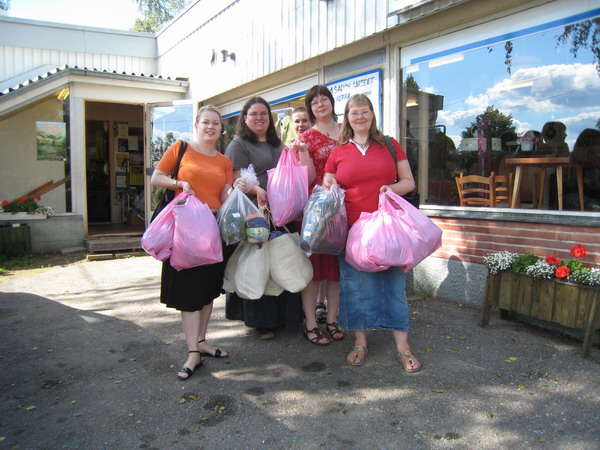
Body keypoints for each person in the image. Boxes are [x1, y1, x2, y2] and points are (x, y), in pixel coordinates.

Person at [323, 93, 421, 372]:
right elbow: (329, 180)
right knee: (355, 287)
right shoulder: (338, 151)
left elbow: (409, 182)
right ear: (347, 118)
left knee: (394, 286)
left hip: (386, 228)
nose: (360, 116)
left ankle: (402, 346)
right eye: (354, 112)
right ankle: (360, 342)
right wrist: (329, 185)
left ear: (372, 114)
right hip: (352, 230)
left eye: (364, 111)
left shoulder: (389, 145)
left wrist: (392, 189)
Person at [151, 105, 234, 380]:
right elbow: (156, 178)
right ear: (197, 125)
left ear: (221, 129)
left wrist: (237, 190)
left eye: (216, 123)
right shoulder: (181, 148)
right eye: (206, 122)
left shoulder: (224, 161)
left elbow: (224, 193)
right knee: (188, 290)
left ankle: (202, 341)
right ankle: (192, 352)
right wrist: (179, 183)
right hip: (185, 229)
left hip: (212, 229)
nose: (211, 127)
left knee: (208, 289)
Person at [224, 96, 303, 339]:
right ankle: (263, 321)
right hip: (256, 212)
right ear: (244, 118)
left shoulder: (277, 143)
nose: (259, 118)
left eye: (264, 114)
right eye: (254, 114)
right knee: (259, 264)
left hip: (281, 210)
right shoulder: (239, 144)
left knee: (283, 260)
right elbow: (237, 178)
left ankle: (286, 317)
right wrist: (259, 190)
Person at [291, 85, 344, 346]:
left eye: (324, 99)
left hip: (343, 207)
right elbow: (308, 177)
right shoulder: (307, 137)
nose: (320, 104)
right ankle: (311, 324)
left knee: (335, 269)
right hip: (316, 209)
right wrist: (302, 151)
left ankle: (332, 319)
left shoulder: (347, 131)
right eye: (314, 102)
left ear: (332, 103)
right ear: (311, 109)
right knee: (313, 269)